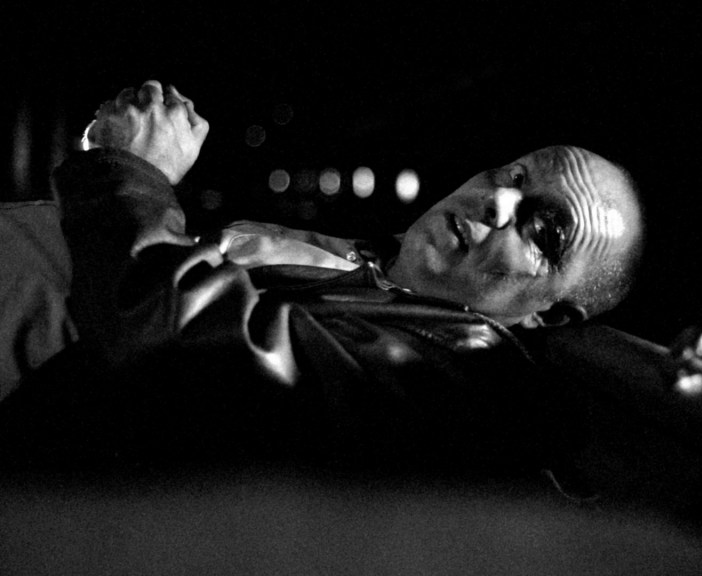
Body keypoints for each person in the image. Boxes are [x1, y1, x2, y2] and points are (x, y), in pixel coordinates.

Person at [0, 81, 648, 489]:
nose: (497, 201)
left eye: (545, 230)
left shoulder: (452, 371)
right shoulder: (371, 268)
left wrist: (132, 170)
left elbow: (180, 349)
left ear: (551, 315)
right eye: (514, 175)